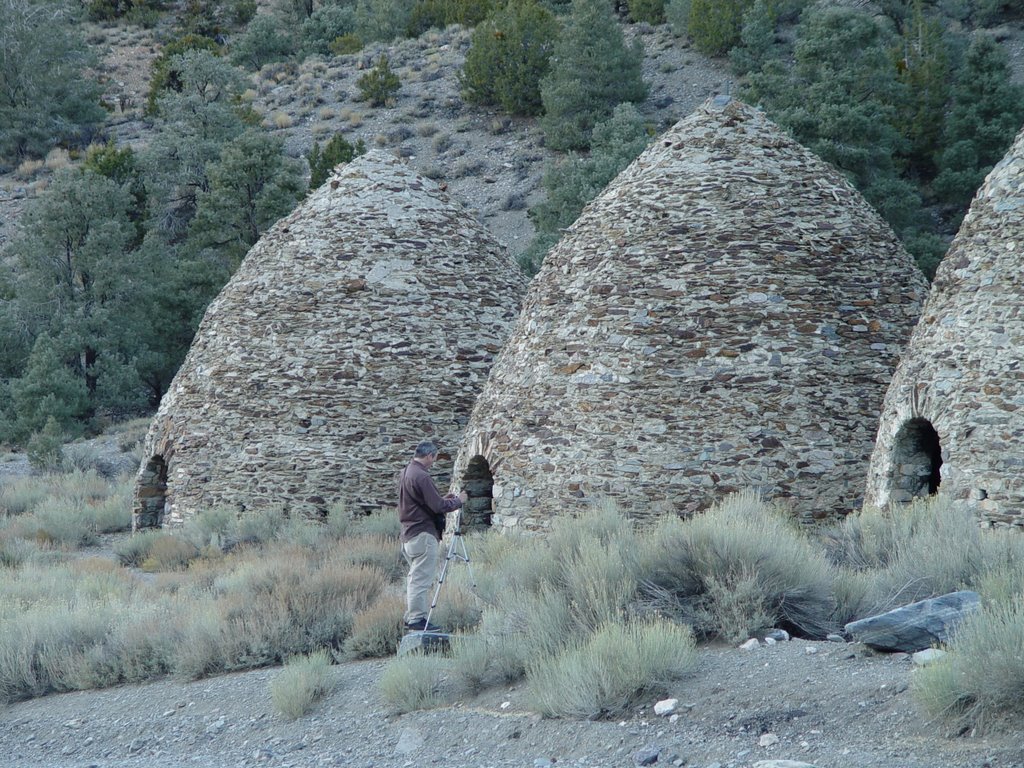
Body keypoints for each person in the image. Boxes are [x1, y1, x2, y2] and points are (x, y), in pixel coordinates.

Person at [398, 440, 467, 632]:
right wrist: (458, 502)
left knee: (414, 578)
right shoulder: (422, 476)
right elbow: (437, 507)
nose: (434, 461)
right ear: (429, 456)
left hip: (409, 534)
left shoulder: (406, 472)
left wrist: (444, 500)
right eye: (434, 458)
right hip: (423, 535)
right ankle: (416, 620)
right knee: (421, 579)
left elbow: (426, 503)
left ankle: (411, 616)